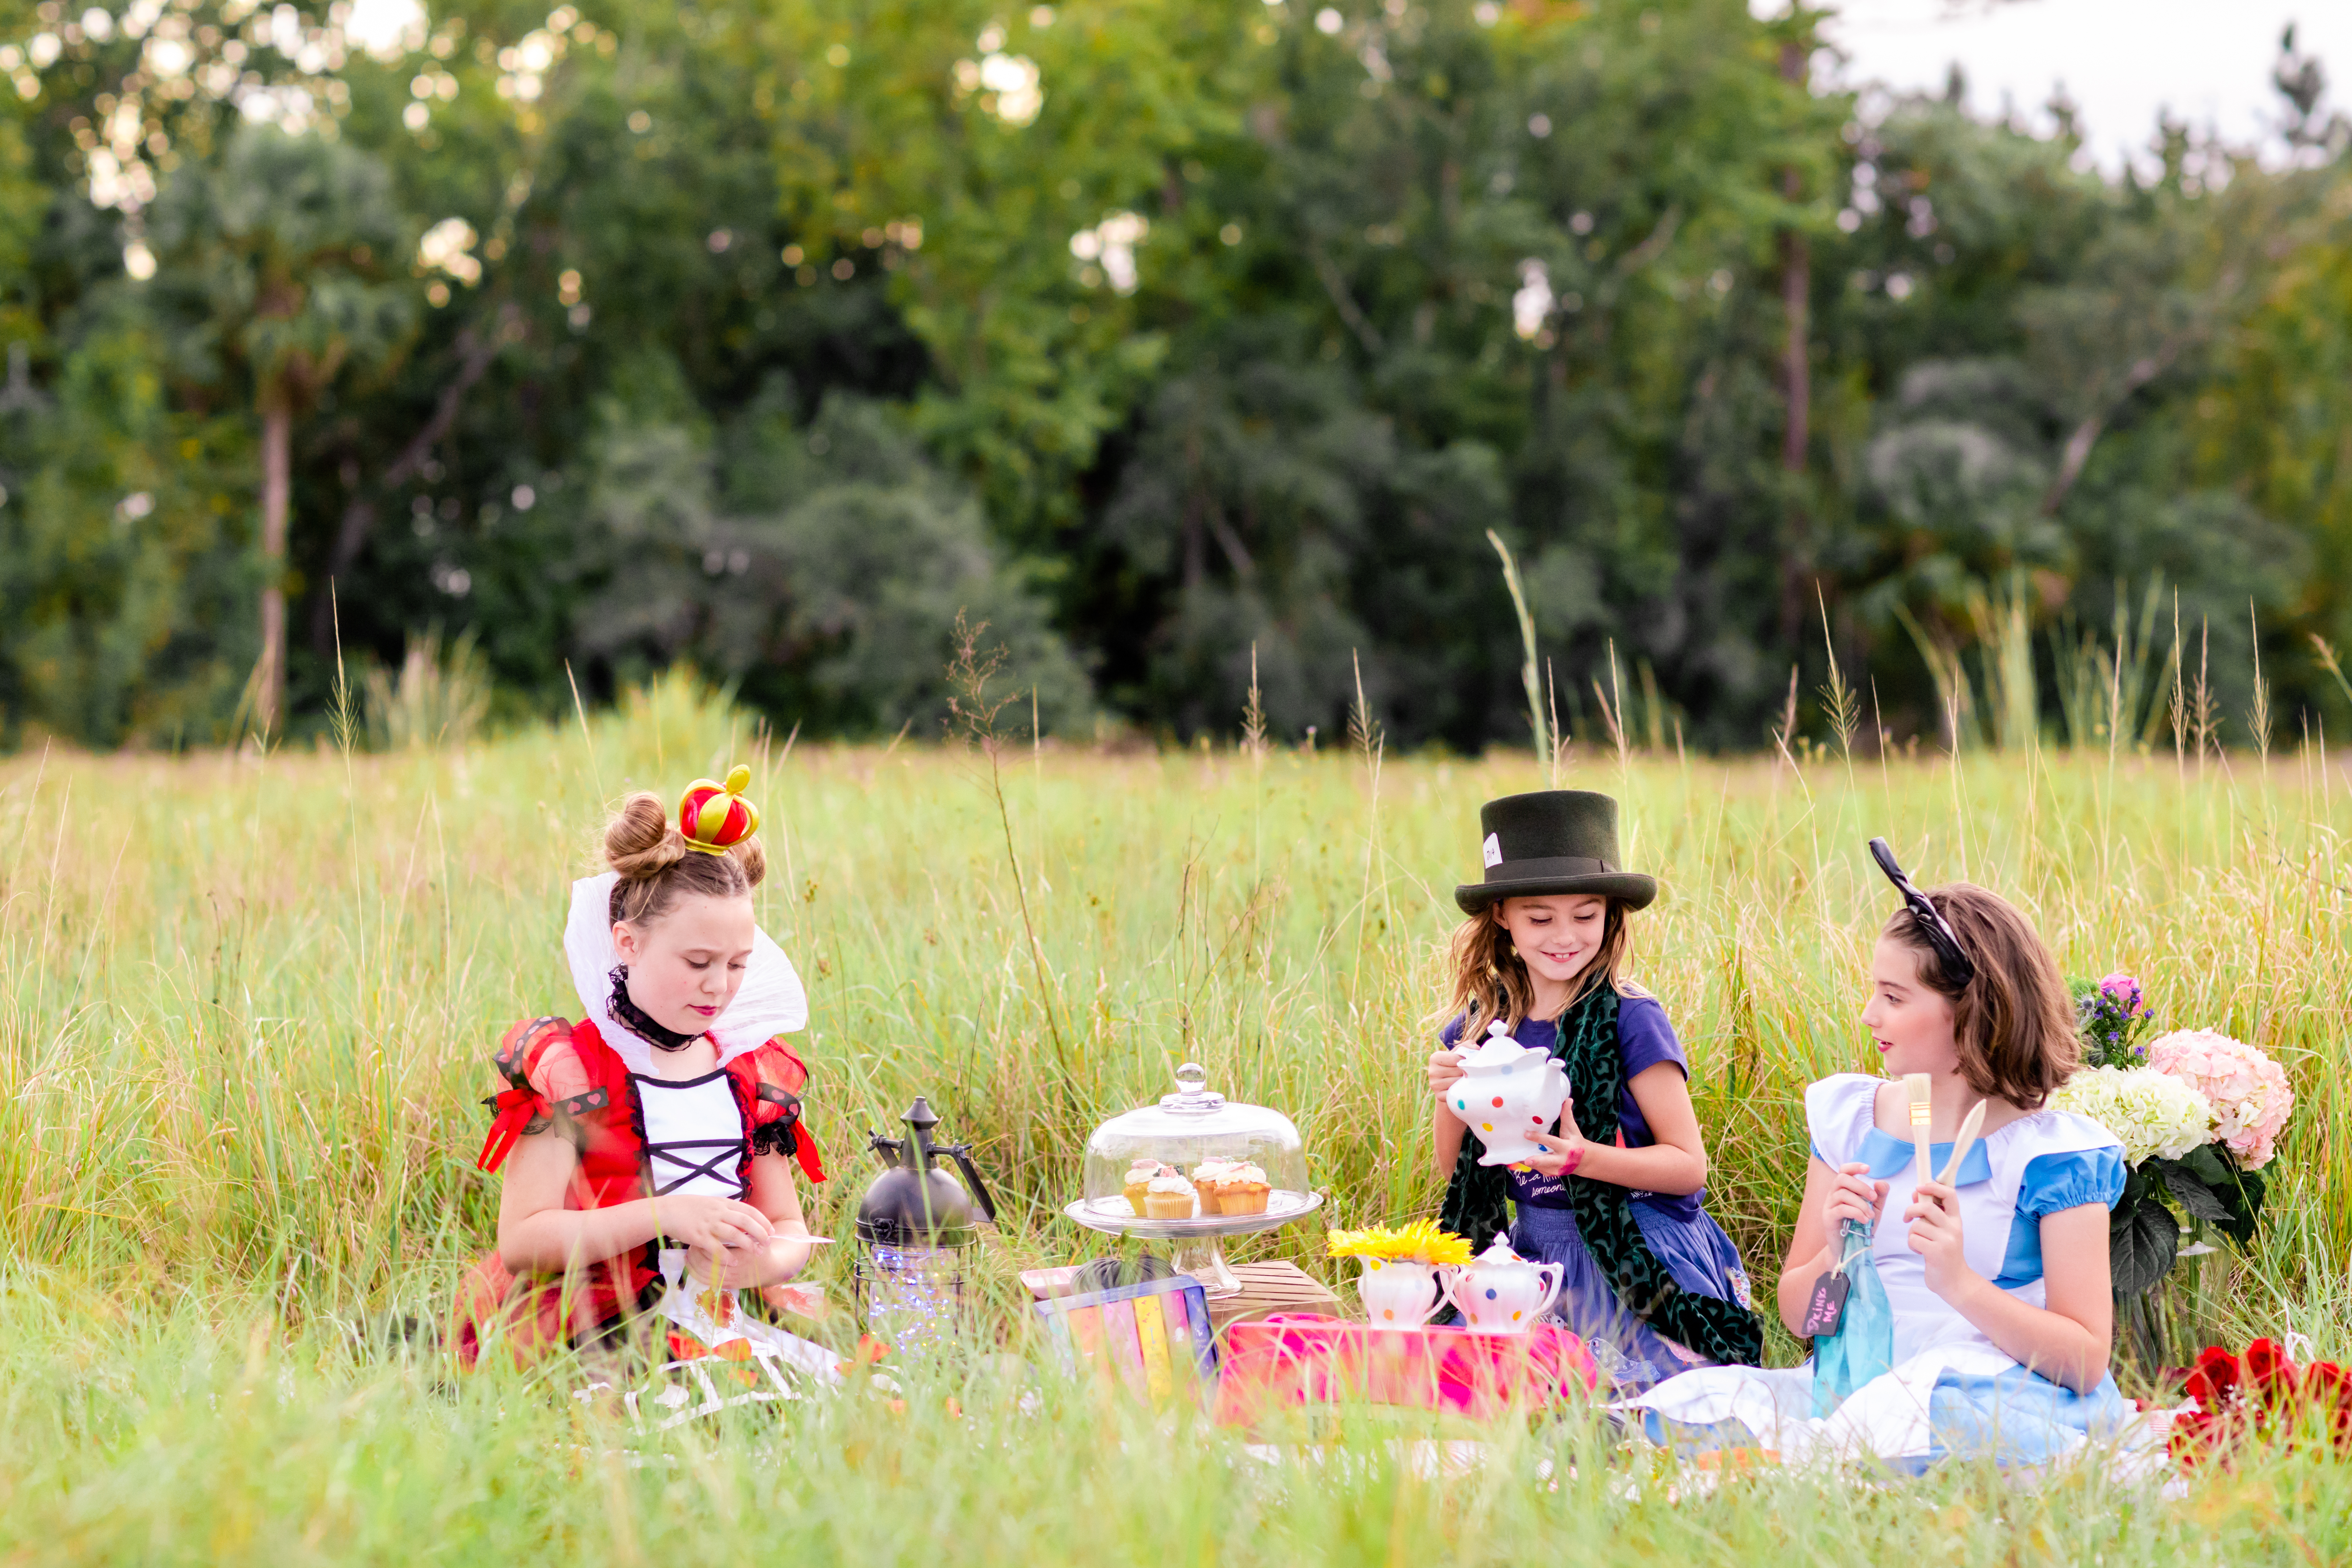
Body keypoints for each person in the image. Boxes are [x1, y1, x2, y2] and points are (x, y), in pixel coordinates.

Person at [1627, 841, 2132, 1469]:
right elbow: (1806, 1320)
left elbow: (2084, 1363)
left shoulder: (2052, 1155)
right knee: (1685, 1409)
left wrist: (1960, 1283)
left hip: (1994, 1395)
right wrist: (1837, 1258)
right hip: (1849, 1385)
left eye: (1894, 998)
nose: (1869, 1016)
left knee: (1921, 1423)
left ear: (1974, 1013)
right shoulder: (1853, 1122)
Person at [451, 766, 837, 1384]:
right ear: (627, 943)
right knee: (652, 1415)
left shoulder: (746, 1073)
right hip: (597, 1319)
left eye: (739, 963)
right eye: (698, 961)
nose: (719, 986)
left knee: (831, 1396)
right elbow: (523, 1242)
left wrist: (761, 1266)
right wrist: (667, 1217)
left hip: (728, 1311)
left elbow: (790, 1227)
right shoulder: (572, 1070)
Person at [1429, 789, 1761, 1391]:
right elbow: (1457, 1169)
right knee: (1484, 1400)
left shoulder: (1630, 1019)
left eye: (1585, 915)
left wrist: (1586, 1160)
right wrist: (1449, 1095)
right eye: (1540, 918)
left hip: (1638, 1249)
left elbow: (1688, 1168)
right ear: (1502, 914)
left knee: (1644, 1409)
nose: (1565, 936)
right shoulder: (1478, 1029)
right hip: (1534, 1251)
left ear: (1610, 913)